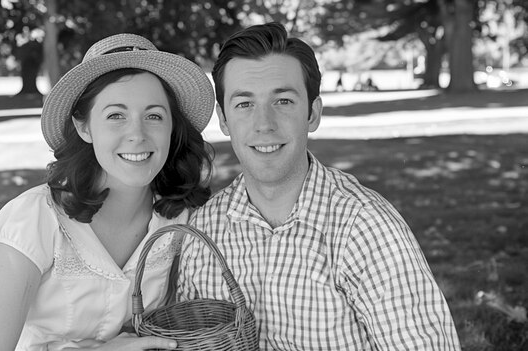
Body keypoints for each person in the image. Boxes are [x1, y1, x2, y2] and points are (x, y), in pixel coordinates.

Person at [176, 22, 461, 350]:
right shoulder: (205, 230)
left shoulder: (364, 227)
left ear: (312, 113)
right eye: (244, 104)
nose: (264, 124)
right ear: (224, 120)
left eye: (283, 101)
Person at [0, 33, 215, 351]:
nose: (136, 134)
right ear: (84, 127)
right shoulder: (35, 219)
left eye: (154, 115)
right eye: (115, 116)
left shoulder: (183, 221)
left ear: (171, 128)